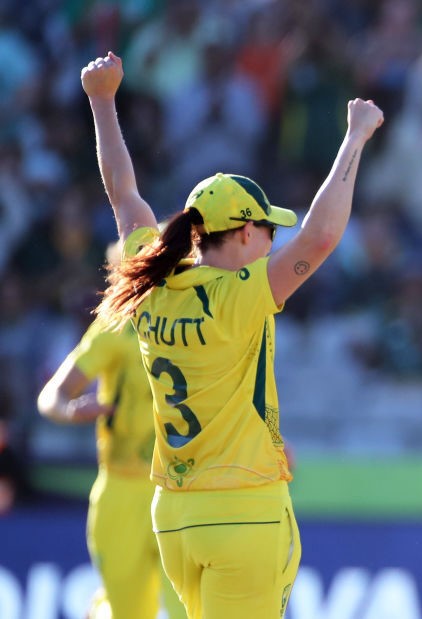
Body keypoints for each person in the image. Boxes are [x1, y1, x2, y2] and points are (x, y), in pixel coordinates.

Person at [81, 51, 383, 618]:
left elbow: (122, 193)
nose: (272, 240)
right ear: (244, 233)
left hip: (174, 514)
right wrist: (356, 138)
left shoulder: (149, 277)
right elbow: (319, 238)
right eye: (267, 230)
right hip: (243, 510)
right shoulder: (241, 293)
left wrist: (101, 101)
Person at [37, 246, 187, 619]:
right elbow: (51, 397)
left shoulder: (194, 324)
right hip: (121, 489)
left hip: (180, 490)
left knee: (189, 610)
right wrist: (71, 412)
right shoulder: (115, 325)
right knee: (128, 613)